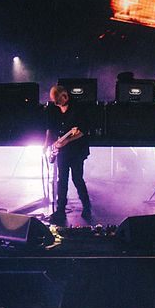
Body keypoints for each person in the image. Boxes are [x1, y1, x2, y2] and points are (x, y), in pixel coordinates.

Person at [45, 85, 93, 225]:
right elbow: (50, 128)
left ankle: (87, 207)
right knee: (62, 179)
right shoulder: (54, 109)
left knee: (77, 178)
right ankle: (60, 210)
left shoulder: (78, 109)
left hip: (77, 150)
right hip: (63, 151)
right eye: (53, 101)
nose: (55, 103)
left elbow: (83, 130)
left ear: (65, 96)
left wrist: (67, 141)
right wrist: (47, 143)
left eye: (57, 100)